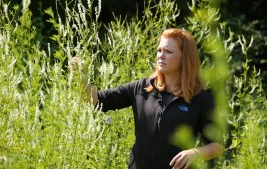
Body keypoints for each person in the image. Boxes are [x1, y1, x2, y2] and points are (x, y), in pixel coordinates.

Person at [71, 28, 224, 169]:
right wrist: (81, 78)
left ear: (184, 57)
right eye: (159, 50)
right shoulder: (141, 88)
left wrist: (195, 152)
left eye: (168, 52)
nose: (161, 55)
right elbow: (97, 100)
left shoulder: (200, 99)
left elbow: (217, 146)